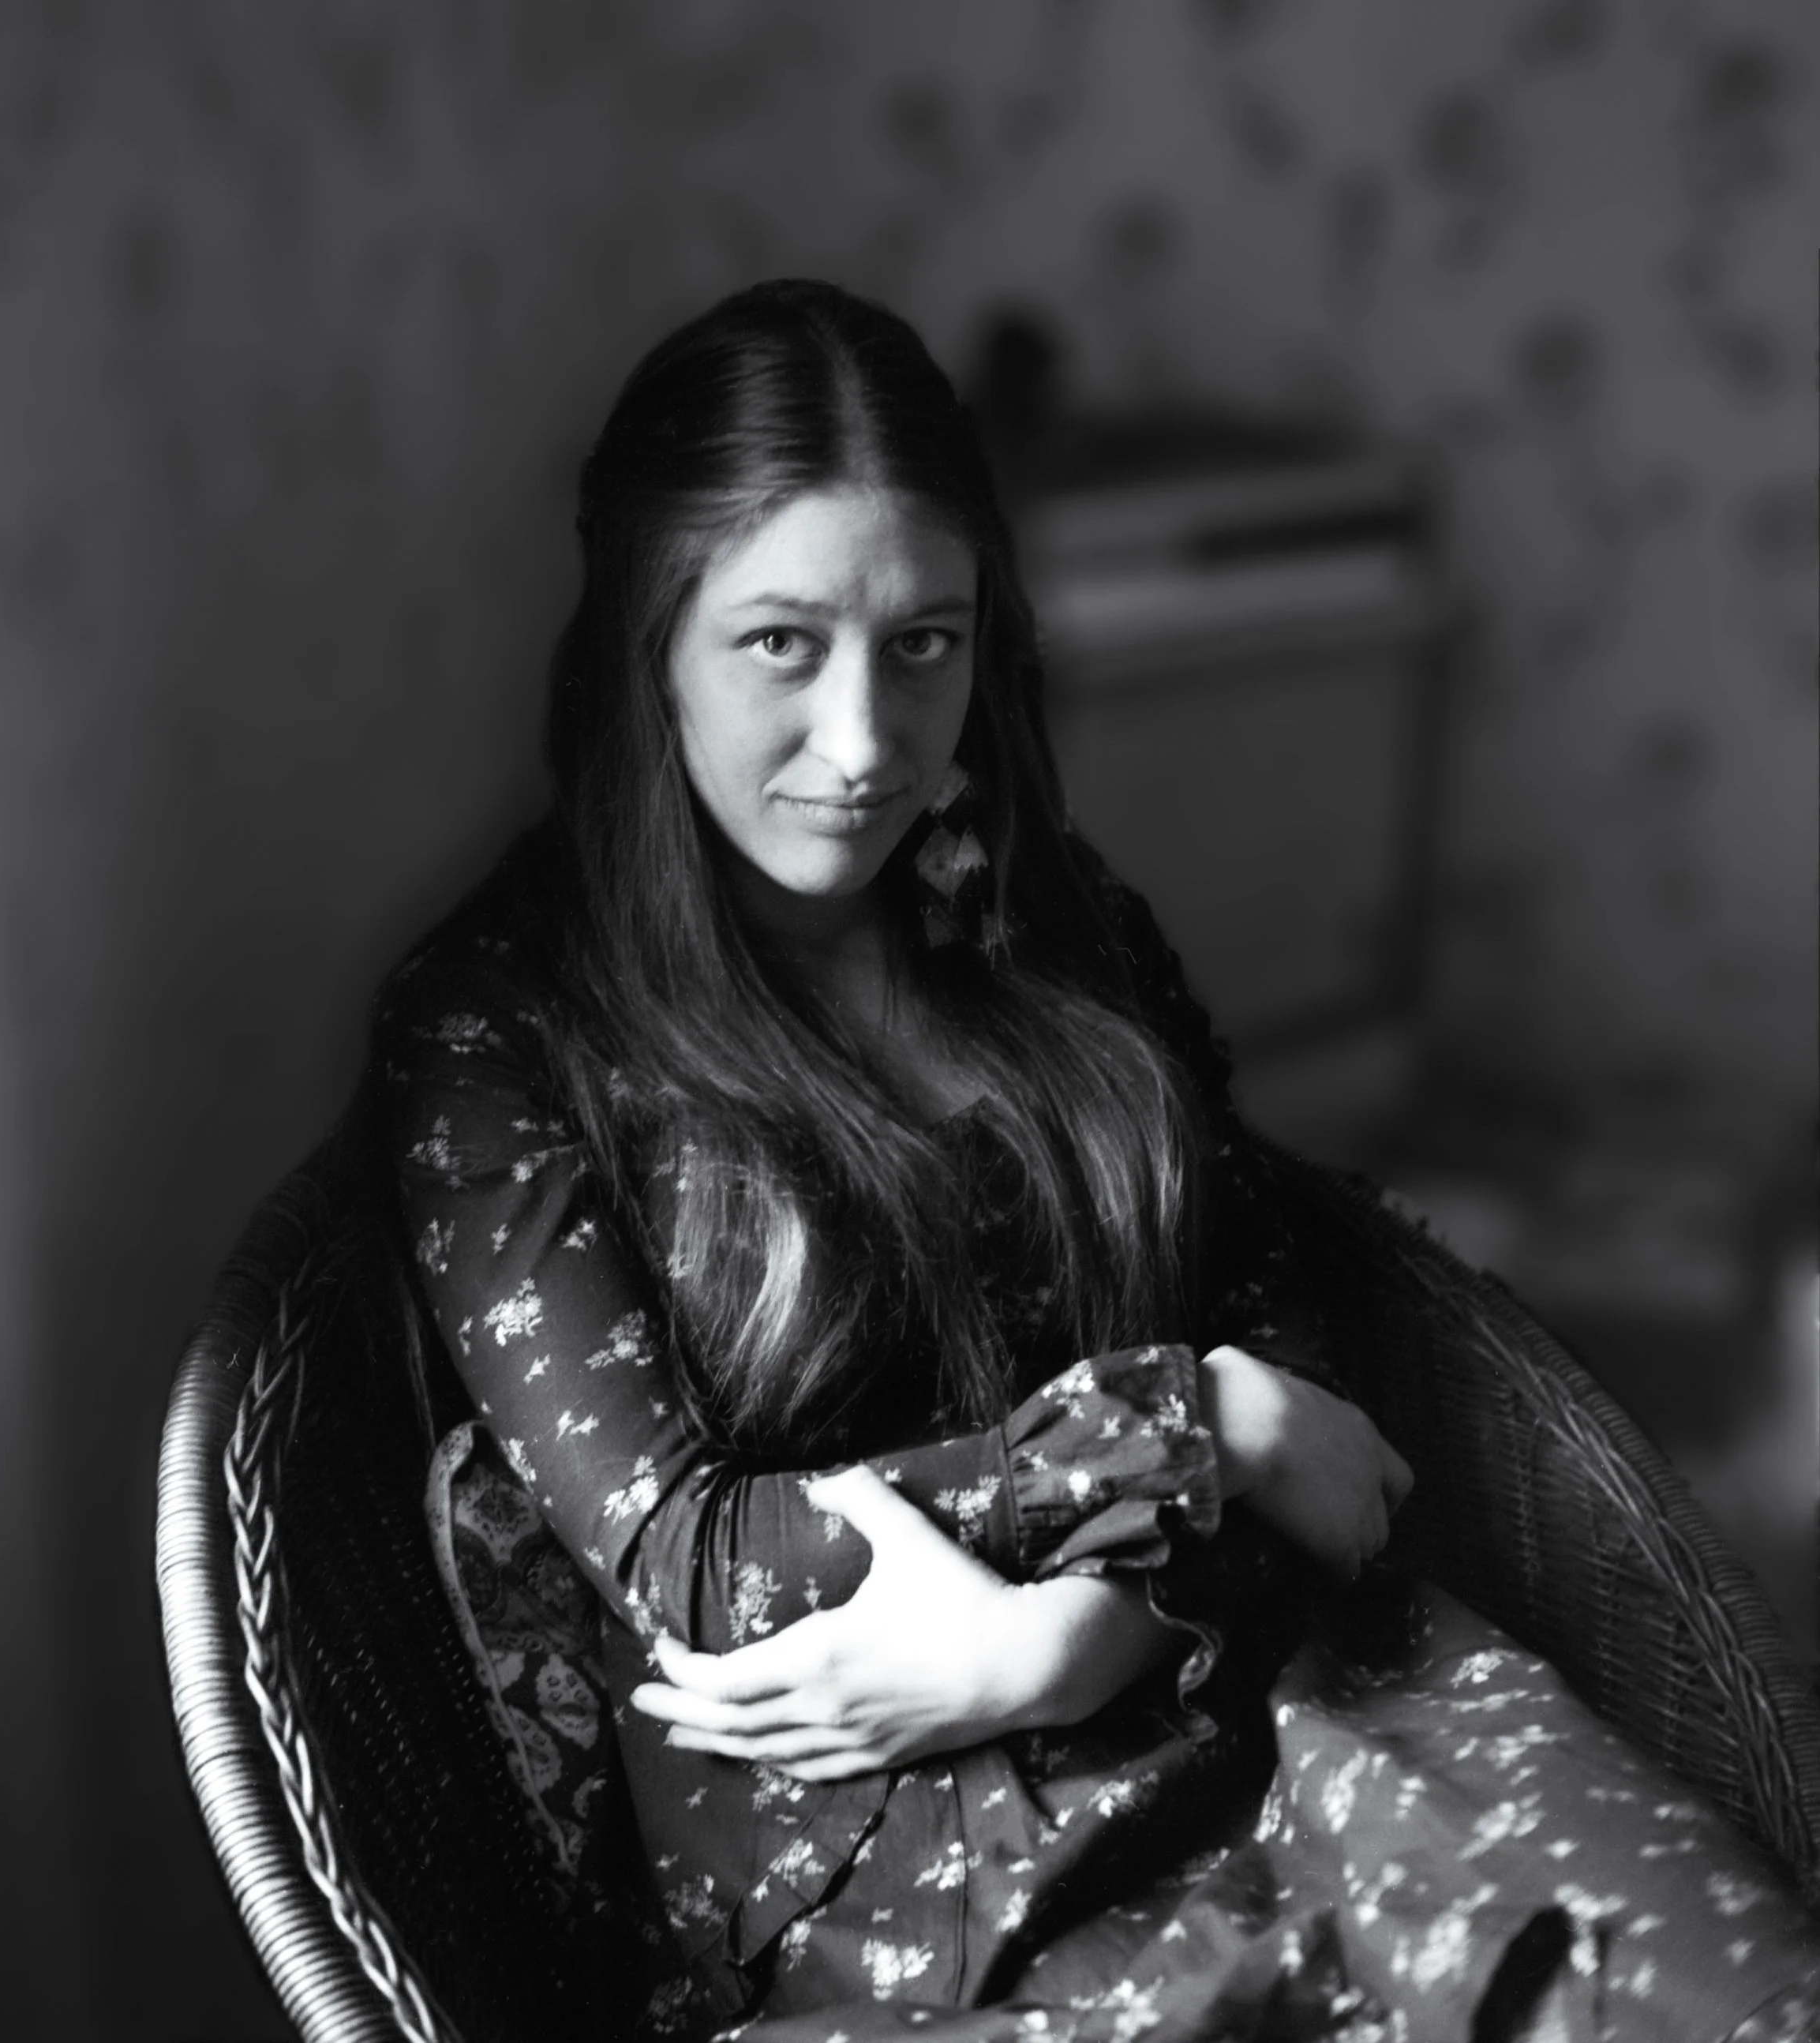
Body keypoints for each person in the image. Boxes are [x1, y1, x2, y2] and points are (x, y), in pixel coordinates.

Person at [367, 279, 1818, 2042]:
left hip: (1273, 1677)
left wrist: (1090, 1631)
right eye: (780, 643)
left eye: (926, 643)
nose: (865, 743)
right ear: (645, 643)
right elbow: (695, 1553)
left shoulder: (1047, 909)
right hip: (896, 1841)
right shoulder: (499, 1032)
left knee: (1732, 1993)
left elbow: (1302, 1348)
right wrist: (1185, 1422)